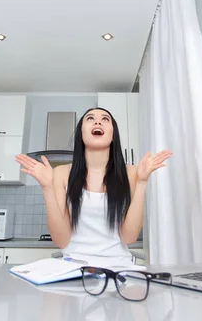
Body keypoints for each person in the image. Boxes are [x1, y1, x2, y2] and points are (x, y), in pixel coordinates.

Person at [15, 107, 172, 266]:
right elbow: (61, 241)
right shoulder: (61, 174)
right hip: (73, 267)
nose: (98, 121)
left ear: (113, 135)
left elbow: (129, 238)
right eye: (90, 118)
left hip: (119, 268)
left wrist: (142, 182)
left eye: (105, 119)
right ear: (81, 133)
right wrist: (47, 188)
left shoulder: (132, 173)